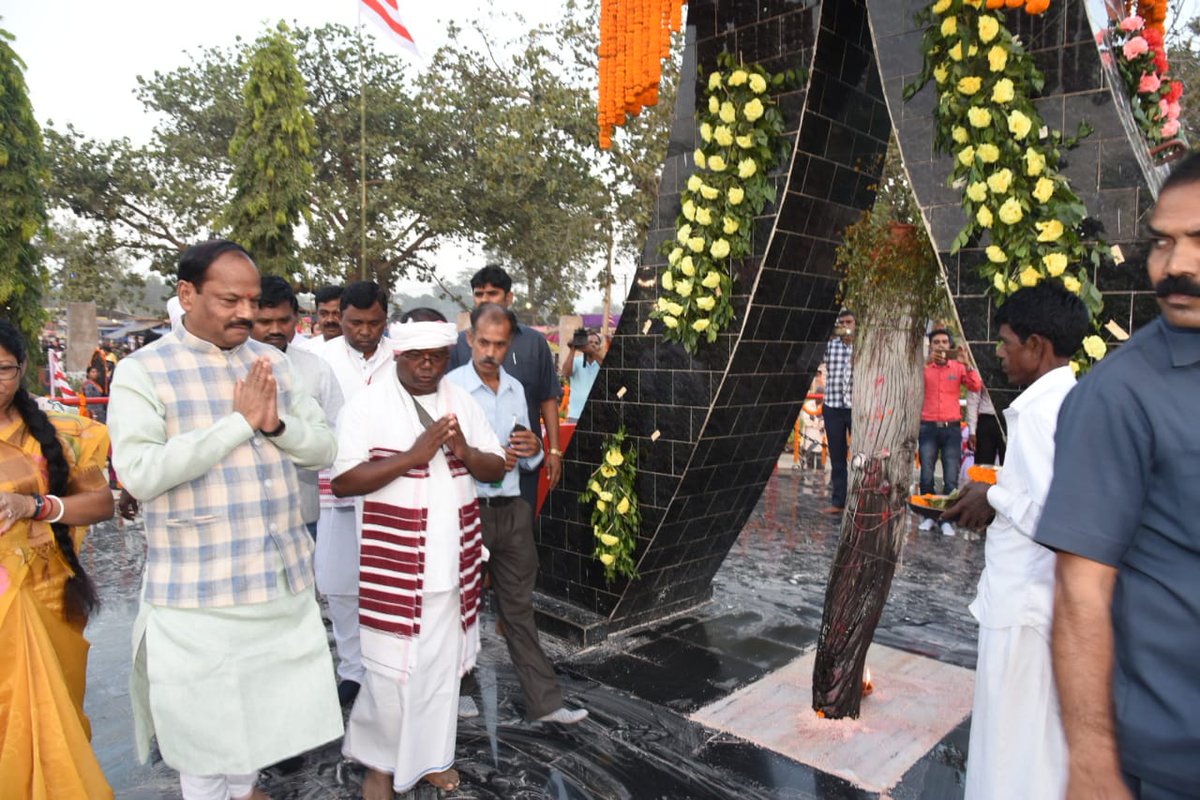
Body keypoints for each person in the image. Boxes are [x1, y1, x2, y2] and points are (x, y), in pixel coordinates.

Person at [108, 240, 343, 800]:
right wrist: (238, 425)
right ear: (187, 294)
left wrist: (276, 426)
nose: (246, 313)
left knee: (258, 736)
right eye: (229, 300)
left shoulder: (273, 363)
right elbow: (139, 473)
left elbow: (324, 449)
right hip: (198, 598)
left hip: (279, 588)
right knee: (205, 749)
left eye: (252, 301)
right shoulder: (144, 371)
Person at [1034, 154, 1200, 799]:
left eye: (1198, 240)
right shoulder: (1120, 394)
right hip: (1173, 761)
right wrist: (1092, 762)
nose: (1175, 265)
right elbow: (1080, 590)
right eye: (1162, 242)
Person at [332, 318, 505, 798]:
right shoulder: (366, 406)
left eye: (437, 356)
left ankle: (430, 759)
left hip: (452, 570)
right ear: (398, 356)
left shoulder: (461, 402)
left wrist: (463, 449)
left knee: (439, 676)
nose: (428, 365)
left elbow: (494, 467)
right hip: (395, 570)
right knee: (390, 676)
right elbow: (343, 481)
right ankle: (379, 766)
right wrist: (413, 455)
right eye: (417, 357)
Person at [941, 283, 1089, 800]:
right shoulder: (1061, 401)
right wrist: (996, 486)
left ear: (1037, 346)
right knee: (1021, 743)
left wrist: (994, 497)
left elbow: (1060, 519)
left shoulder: (1044, 414)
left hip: (1026, 610)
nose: (999, 355)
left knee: (1010, 749)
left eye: (1006, 343)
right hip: (1029, 604)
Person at [448, 303, 589, 725]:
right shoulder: (450, 389)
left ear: (510, 344)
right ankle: (458, 690)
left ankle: (545, 704)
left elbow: (529, 454)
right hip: (466, 510)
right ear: (470, 340)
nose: (490, 352)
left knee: (519, 610)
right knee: (460, 608)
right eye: (483, 343)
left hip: (511, 511)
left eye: (499, 344)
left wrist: (535, 450)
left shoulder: (514, 390)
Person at [0, 319, 116, 799]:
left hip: (47, 594)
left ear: (23, 368)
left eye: (3, 369)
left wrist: (36, 506)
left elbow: (101, 503)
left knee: (53, 723)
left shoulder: (61, 432)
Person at [316, 279, 393, 706]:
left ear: (386, 319)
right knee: (339, 583)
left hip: (391, 488)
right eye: (355, 323)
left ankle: (387, 668)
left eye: (374, 323)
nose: (365, 332)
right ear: (339, 318)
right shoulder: (319, 359)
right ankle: (352, 669)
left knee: (390, 583)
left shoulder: (401, 358)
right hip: (338, 490)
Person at [449, 265, 562, 510]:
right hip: (471, 476)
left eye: (492, 293)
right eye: (479, 294)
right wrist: (483, 454)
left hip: (522, 467)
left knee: (521, 526)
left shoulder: (534, 342)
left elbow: (548, 397)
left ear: (509, 298)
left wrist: (553, 450)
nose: (484, 300)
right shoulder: (459, 344)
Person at [252, 276, 344, 539]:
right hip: (246, 514)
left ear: (296, 318)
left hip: (301, 512)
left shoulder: (316, 367)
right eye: (265, 322)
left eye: (284, 321)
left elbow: (335, 434)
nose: (275, 330)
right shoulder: (229, 366)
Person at [918, 328, 981, 536]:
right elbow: (912, 385)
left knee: (951, 477)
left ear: (950, 345)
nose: (941, 345)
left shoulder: (958, 366)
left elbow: (975, 385)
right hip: (928, 427)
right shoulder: (924, 367)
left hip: (952, 429)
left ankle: (947, 519)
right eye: (936, 342)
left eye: (945, 342)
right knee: (926, 476)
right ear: (931, 346)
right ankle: (928, 516)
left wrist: (967, 364)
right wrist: (925, 363)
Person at [820, 310, 854, 514]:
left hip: (856, 408)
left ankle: (858, 501)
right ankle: (838, 501)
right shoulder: (830, 347)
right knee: (837, 456)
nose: (845, 326)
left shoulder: (863, 348)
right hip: (833, 406)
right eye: (842, 322)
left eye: (849, 322)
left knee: (861, 457)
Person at [561, 327, 603, 422]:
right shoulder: (576, 361)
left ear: (599, 348)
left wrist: (592, 352)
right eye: (590, 342)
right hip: (576, 414)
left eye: (596, 343)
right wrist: (573, 349)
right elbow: (566, 373)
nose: (593, 345)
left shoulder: (600, 361)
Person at [294, 284, 344, 352]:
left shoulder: (357, 351)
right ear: (317, 314)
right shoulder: (304, 350)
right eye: (323, 314)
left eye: (336, 313)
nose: (330, 320)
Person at [965, 388, 1005, 466]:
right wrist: (972, 431)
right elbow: (973, 400)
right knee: (983, 466)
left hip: (1009, 418)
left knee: (1010, 465)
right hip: (987, 420)